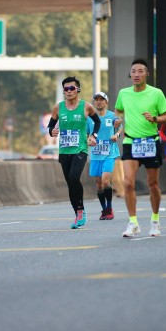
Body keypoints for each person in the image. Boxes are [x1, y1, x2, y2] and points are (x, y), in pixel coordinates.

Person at [114, 59, 166, 237]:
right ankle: (133, 222)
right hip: (131, 141)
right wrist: (118, 120)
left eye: (140, 71)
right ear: (130, 74)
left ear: (147, 74)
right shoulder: (123, 93)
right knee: (128, 183)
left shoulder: (156, 93)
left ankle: (155, 221)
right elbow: (118, 111)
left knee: (153, 185)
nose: (136, 74)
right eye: (133, 71)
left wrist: (154, 119)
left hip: (150, 142)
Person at [47, 76, 100, 229]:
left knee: (74, 177)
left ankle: (81, 210)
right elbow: (50, 126)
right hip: (64, 150)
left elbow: (97, 121)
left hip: (80, 149)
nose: (69, 91)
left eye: (72, 88)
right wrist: (52, 131)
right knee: (70, 183)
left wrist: (93, 136)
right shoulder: (58, 107)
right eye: (66, 89)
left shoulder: (86, 106)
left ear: (78, 89)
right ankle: (78, 213)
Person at [87, 92, 122, 220]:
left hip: (109, 153)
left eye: (101, 99)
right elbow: (86, 134)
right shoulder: (89, 118)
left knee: (105, 181)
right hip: (96, 154)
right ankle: (104, 209)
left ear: (106, 102)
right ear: (94, 102)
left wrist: (116, 135)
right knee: (99, 184)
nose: (99, 101)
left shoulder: (112, 116)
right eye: (96, 99)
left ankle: (110, 208)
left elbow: (120, 127)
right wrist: (89, 140)